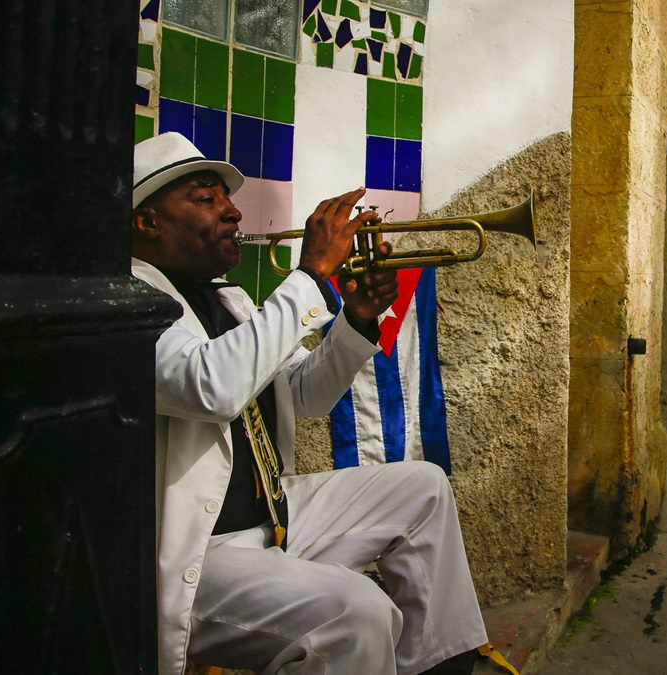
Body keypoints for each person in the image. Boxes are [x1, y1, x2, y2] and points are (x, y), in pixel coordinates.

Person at [130, 132, 488, 675]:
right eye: (205, 200)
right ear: (147, 222)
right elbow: (211, 387)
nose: (231, 213)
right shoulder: (130, 302)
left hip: (272, 517)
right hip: (197, 553)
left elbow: (305, 395)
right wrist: (313, 275)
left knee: (424, 487)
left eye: (226, 200)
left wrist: (357, 319)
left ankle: (438, 665)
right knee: (357, 612)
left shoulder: (230, 299)